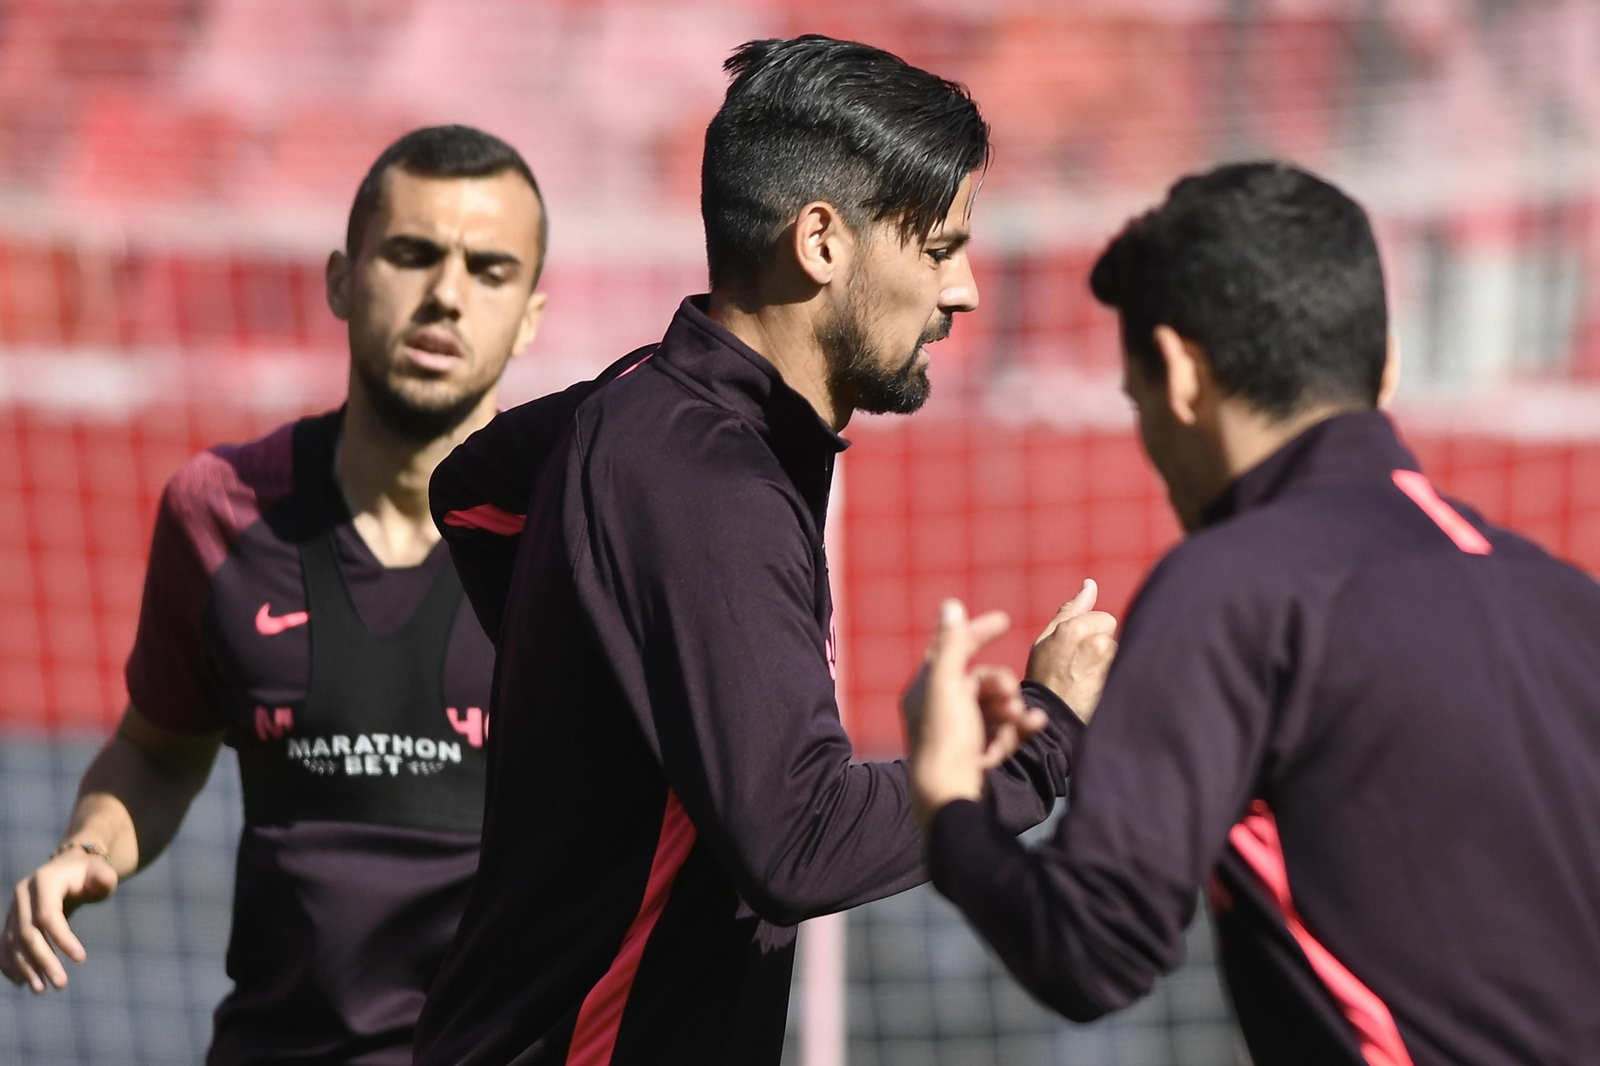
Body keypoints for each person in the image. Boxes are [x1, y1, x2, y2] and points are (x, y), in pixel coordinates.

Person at [414, 36, 1116, 1066]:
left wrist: (589, 671)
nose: (961, 292)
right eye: (936, 248)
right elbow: (799, 838)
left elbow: (468, 495)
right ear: (822, 241)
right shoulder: (714, 488)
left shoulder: (651, 398)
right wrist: (1043, 737)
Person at [905, 161, 1600, 1065]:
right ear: (1382, 370)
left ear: (1183, 377)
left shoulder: (1231, 591)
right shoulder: (1567, 602)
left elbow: (1090, 953)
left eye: (1137, 400)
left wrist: (948, 803)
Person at [2, 124, 550, 1065]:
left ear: (532, 315)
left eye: (488, 269)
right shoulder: (218, 510)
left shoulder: (580, 533)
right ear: (342, 278)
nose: (447, 297)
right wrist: (91, 847)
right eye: (413, 255)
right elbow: (159, 750)